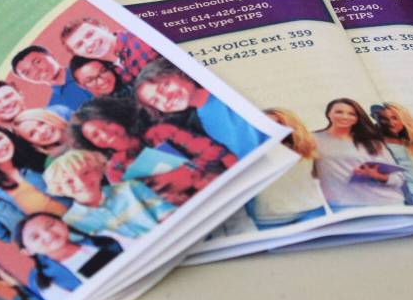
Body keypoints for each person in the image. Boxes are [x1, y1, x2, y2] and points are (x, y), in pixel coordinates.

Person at [72, 96, 237, 204]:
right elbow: (144, 203)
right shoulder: (115, 170)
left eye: (106, 124)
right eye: (95, 135)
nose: (105, 134)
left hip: (222, 186)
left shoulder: (160, 132)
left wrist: (185, 173)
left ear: (117, 118)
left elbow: (214, 151)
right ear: (92, 144)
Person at [133, 58, 267, 159]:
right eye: (155, 101)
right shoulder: (203, 125)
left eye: (165, 86)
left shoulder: (225, 88)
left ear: (179, 72)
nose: (165, 98)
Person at [0, 125, 69, 242]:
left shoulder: (35, 159)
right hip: (51, 243)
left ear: (8, 137)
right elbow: (3, 235)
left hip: (82, 220)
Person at [43, 149, 176, 238]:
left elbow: (170, 217)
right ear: (59, 189)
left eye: (86, 172)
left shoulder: (130, 188)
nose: (81, 182)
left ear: (98, 170)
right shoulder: (69, 224)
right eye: (69, 181)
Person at [313, 98, 410, 207]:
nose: (345, 117)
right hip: (345, 206)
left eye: (352, 114)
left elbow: (399, 177)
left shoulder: (372, 142)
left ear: (357, 118)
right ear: (328, 114)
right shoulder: (313, 140)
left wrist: (379, 176)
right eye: (339, 112)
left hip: (389, 202)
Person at [247, 108, 328, 227]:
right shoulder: (249, 151)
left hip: (311, 211)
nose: (273, 128)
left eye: (279, 123)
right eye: (267, 124)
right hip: (268, 220)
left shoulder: (309, 146)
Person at [15, 212, 122, 298]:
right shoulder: (45, 282)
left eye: (50, 225)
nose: (48, 234)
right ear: (27, 251)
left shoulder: (106, 239)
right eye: (35, 237)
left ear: (63, 223)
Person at [60, 17, 159, 84]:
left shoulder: (143, 38)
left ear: (103, 27)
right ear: (78, 54)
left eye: (90, 34)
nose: (89, 44)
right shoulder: (108, 70)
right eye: (79, 45)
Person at [11, 45, 92, 111]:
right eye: (27, 72)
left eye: (37, 62)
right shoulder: (54, 109)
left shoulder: (91, 70)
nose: (36, 71)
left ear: (52, 56)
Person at [68, 56, 132, 99]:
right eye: (90, 80)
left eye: (103, 71)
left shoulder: (135, 84)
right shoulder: (96, 114)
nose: (102, 82)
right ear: (81, 86)